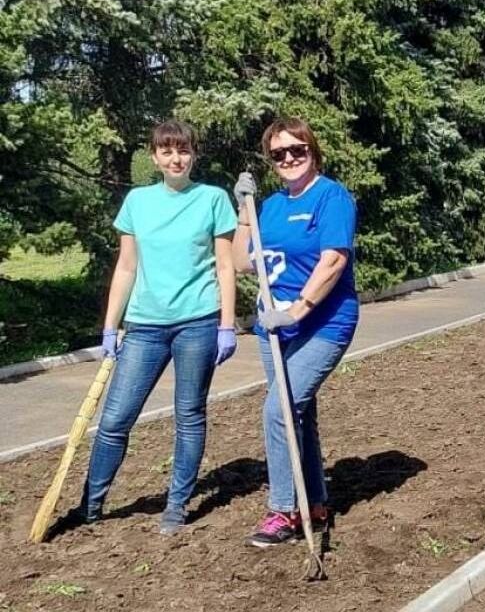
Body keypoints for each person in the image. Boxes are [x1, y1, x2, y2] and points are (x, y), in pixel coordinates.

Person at [82, 120, 239, 535]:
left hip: (198, 323)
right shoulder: (137, 202)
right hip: (145, 326)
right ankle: (91, 505)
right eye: (167, 151)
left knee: (188, 415)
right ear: (153, 157)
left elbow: (225, 266)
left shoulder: (213, 199)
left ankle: (176, 505)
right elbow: (127, 266)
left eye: (183, 150)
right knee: (115, 419)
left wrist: (227, 324)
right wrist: (110, 327)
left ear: (193, 155)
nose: (175, 158)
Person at [231, 117, 358, 547]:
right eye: (278, 154)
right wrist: (244, 213)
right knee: (297, 413)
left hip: (323, 323)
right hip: (275, 328)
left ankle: (284, 509)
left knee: (278, 411)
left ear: (313, 150)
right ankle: (315, 503)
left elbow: (334, 261)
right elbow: (242, 262)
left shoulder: (331, 196)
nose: (288, 159)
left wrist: (298, 309)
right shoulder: (270, 206)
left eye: (297, 150)